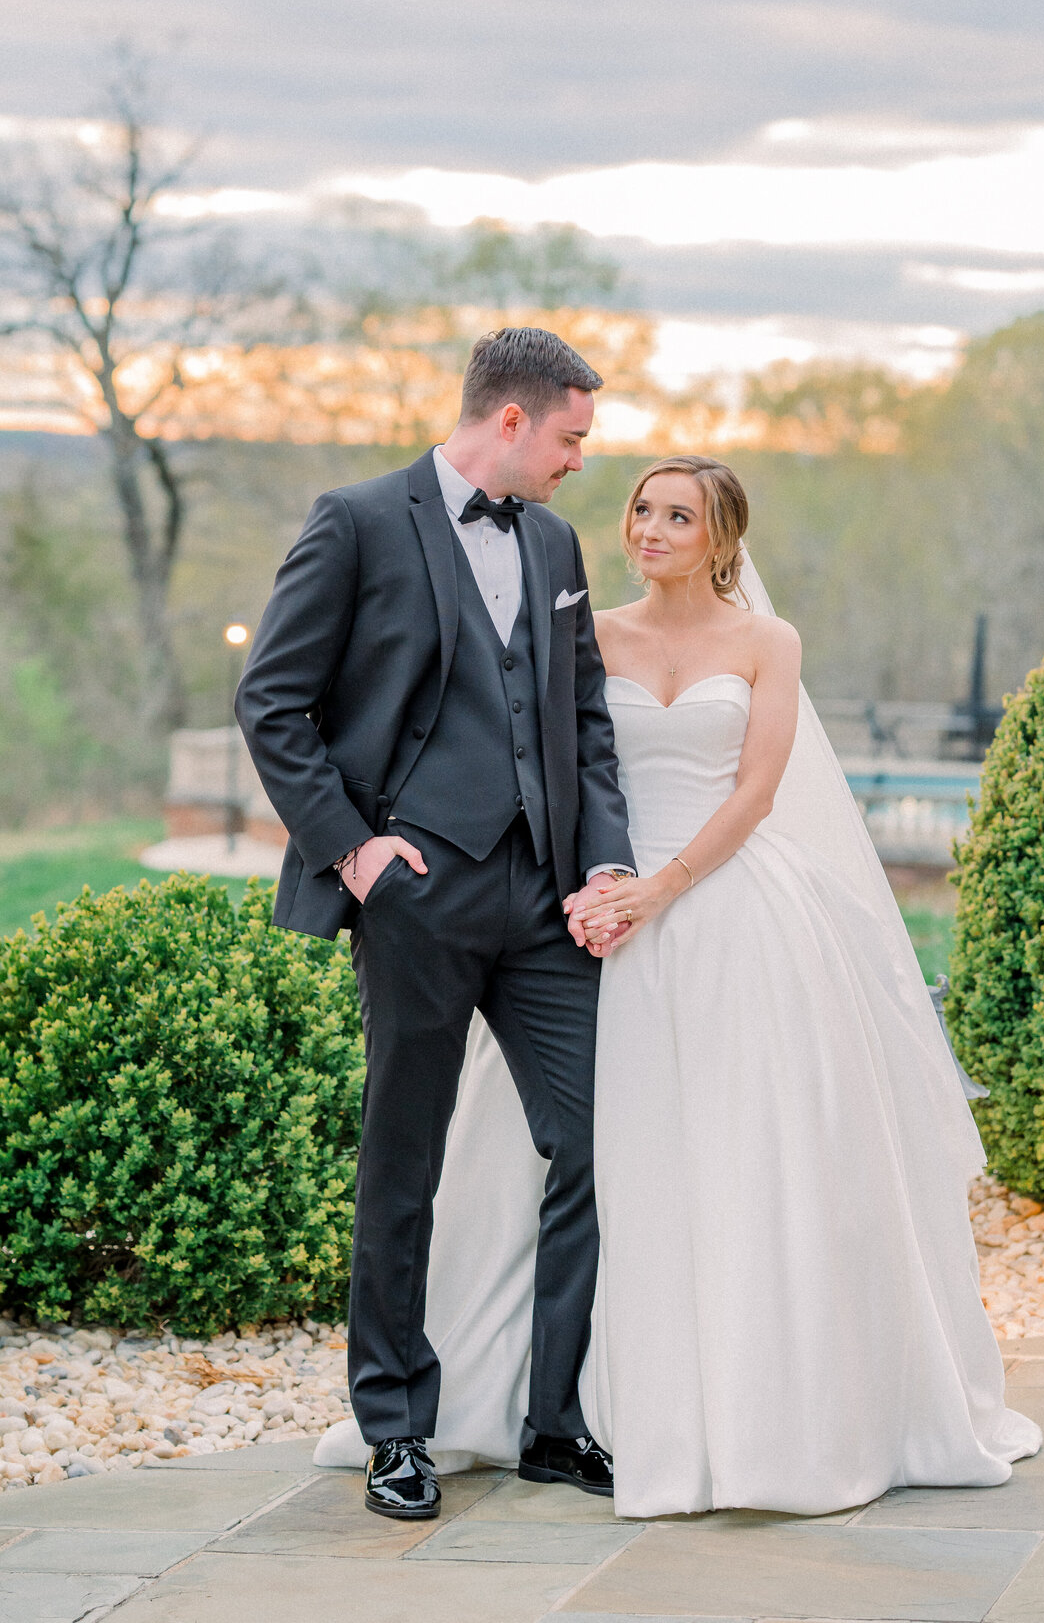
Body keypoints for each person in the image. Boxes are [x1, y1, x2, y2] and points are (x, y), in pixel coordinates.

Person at [318, 452, 1041, 1519]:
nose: (649, 529)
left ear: (722, 539)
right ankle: (532, 1404)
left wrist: (663, 888)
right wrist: (587, 887)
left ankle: (742, 1398)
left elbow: (757, 789)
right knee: (584, 1148)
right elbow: (557, 767)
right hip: (592, 914)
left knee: (747, 1146)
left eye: (677, 515)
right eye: (641, 509)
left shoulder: (766, 643)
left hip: (730, 905)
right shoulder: (588, 631)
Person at [236, 327, 635, 1522]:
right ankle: (395, 1428)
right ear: (510, 422)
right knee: (401, 1158)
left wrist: (605, 862)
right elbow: (271, 700)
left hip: (547, 901)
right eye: (571, 437)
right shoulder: (358, 520)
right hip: (417, 892)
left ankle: (554, 1420)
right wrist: (354, 849)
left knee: (595, 1142)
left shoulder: (555, 542)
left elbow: (584, 722)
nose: (579, 464)